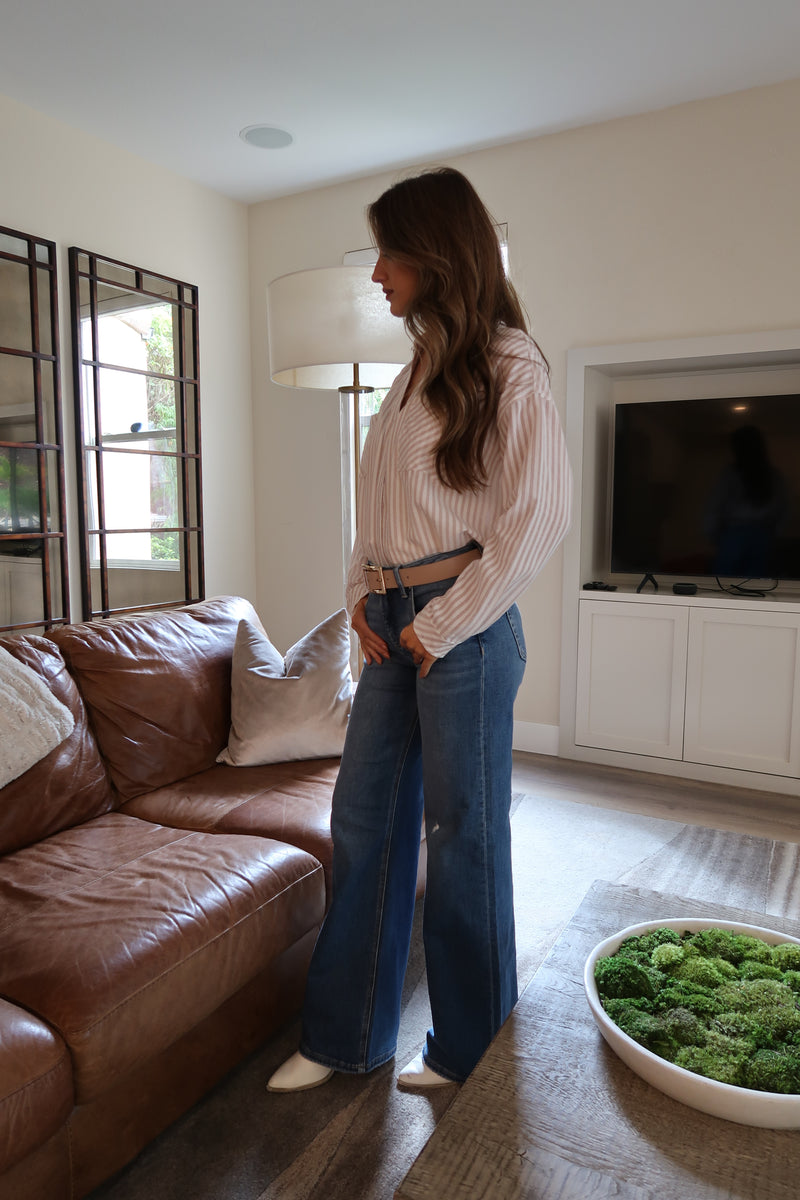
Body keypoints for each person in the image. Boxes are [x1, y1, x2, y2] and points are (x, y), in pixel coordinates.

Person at [267, 166, 572, 1093]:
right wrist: (358, 591)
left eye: (389, 254)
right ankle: (345, 1037)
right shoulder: (409, 377)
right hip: (393, 623)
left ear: (437, 255)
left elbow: (538, 518)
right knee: (361, 822)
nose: (376, 277)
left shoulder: (512, 366)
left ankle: (470, 1049)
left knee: (465, 835)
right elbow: (379, 514)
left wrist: (441, 625)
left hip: (462, 631)